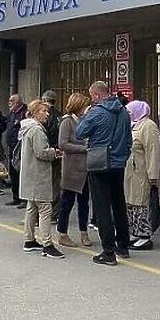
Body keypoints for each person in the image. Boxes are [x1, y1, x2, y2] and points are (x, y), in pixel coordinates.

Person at [76, 81, 132, 266]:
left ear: (97, 95)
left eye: (92, 96)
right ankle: (123, 245)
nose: (91, 99)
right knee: (118, 203)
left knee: (102, 207)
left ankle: (108, 252)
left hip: (100, 164)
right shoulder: (123, 112)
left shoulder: (96, 112)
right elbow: (129, 139)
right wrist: (122, 156)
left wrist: (85, 116)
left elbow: (79, 132)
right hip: (118, 164)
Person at [19, 99, 64, 259]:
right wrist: (54, 152)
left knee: (32, 207)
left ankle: (29, 239)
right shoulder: (36, 130)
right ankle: (47, 244)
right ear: (36, 112)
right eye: (44, 111)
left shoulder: (26, 127)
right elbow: (41, 152)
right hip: (38, 174)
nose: (47, 114)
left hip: (30, 173)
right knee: (45, 208)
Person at [123, 100, 160, 251]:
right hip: (132, 173)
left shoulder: (149, 126)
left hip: (142, 173)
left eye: (130, 112)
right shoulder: (135, 125)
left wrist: (153, 176)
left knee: (142, 204)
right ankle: (136, 233)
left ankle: (145, 236)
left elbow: (153, 152)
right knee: (132, 204)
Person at [56, 92, 91, 248]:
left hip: (85, 168)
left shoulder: (85, 121)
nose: (85, 108)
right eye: (83, 105)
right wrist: (83, 148)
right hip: (71, 167)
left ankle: (84, 232)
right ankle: (62, 233)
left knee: (84, 202)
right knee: (67, 202)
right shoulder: (67, 122)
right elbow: (63, 144)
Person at [42, 90, 62, 222]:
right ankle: (55, 211)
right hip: (57, 151)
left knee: (45, 183)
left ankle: (47, 212)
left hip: (47, 151)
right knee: (55, 182)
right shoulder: (60, 115)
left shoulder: (44, 115)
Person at [5, 94, 28, 208]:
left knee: (21, 172)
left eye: (12, 101)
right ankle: (16, 197)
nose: (9, 103)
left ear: (18, 102)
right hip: (11, 146)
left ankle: (24, 198)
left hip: (20, 147)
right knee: (13, 172)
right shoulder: (11, 113)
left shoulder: (25, 113)